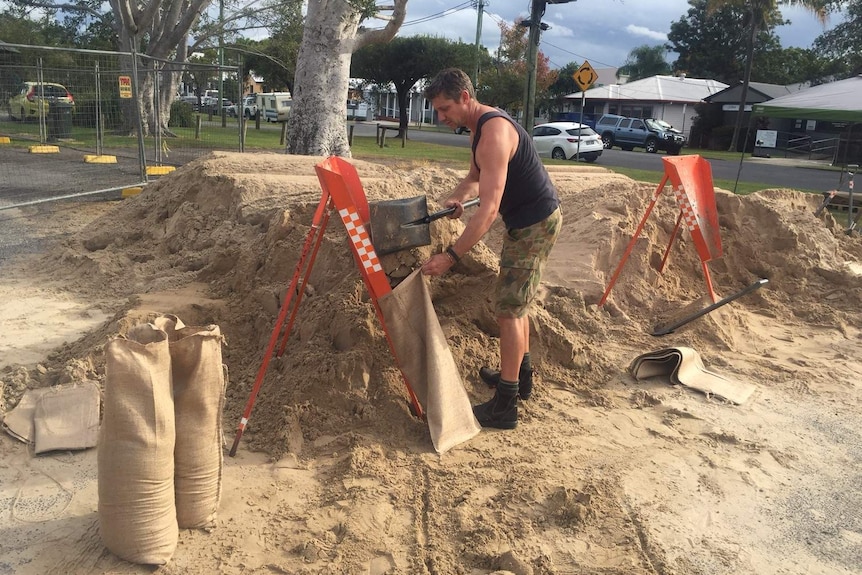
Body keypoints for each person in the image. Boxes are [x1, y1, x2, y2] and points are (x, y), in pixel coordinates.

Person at [420, 68, 562, 430]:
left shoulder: (494, 133)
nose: (441, 117)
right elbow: (474, 179)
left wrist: (450, 257)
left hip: (534, 224)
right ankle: (521, 376)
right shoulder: (478, 128)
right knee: (516, 303)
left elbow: (489, 209)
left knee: (509, 310)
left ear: (465, 98)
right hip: (526, 221)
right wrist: (456, 196)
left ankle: (505, 405)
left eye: (445, 108)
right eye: (437, 110)